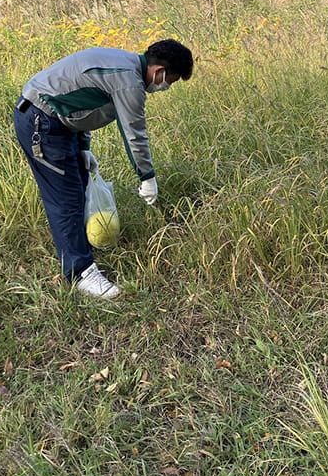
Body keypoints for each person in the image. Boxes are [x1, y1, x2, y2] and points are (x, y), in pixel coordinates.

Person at [13, 39, 194, 299]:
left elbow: (81, 100)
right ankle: (81, 273)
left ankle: (79, 248)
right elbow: (134, 133)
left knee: (78, 186)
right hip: (42, 122)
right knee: (66, 198)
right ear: (159, 72)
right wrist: (147, 177)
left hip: (55, 120)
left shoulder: (125, 63)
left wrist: (82, 146)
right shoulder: (129, 80)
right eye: (170, 81)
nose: (166, 87)